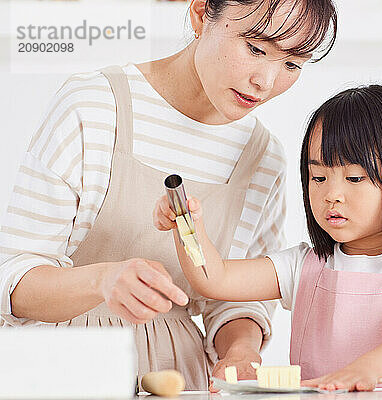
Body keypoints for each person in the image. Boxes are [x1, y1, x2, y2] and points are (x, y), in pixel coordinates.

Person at [0, 0, 337, 391]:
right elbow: (12, 280)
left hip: (181, 379)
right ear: (199, 14)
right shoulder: (93, 105)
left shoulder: (264, 158)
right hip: (63, 368)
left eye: (292, 64)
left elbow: (235, 299)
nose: (266, 80)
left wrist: (241, 353)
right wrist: (102, 281)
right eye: (256, 48)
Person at [154, 85, 382, 391]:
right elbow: (216, 278)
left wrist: (365, 370)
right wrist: (188, 227)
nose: (331, 195)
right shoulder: (305, 265)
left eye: (354, 177)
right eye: (318, 177)